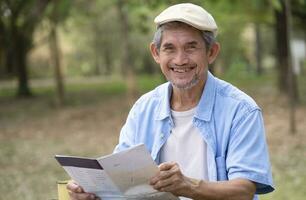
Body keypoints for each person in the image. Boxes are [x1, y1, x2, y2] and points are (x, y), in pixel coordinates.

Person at [67, 3, 274, 200]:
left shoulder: (241, 110)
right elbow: (122, 182)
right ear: (156, 53)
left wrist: (188, 186)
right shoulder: (143, 109)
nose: (180, 60)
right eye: (169, 48)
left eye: (191, 47)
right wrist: (90, 191)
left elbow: (244, 190)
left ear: (211, 53)